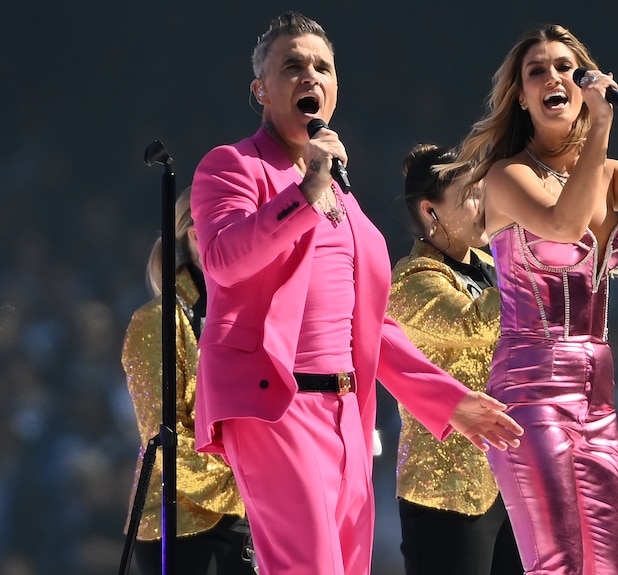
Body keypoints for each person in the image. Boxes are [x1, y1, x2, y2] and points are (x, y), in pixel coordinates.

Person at [188, 11, 523, 575]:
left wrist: (448, 401)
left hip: (348, 414)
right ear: (261, 90)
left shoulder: (347, 201)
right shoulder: (234, 167)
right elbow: (224, 259)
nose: (309, 77)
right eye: (292, 66)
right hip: (276, 405)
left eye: (322, 66)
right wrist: (308, 187)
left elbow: (371, 325)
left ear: (335, 87)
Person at [446, 24, 618, 574]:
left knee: (605, 567)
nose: (553, 78)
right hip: (530, 389)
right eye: (537, 71)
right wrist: (602, 127)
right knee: (555, 564)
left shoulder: (604, 175)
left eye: (565, 67)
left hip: (598, 396)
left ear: (584, 79)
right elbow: (564, 227)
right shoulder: (507, 175)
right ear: (521, 96)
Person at [388, 144, 522, 575]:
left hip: (509, 480)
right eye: (470, 195)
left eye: (483, 191)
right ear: (431, 211)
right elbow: (473, 323)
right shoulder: (411, 280)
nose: (483, 203)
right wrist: (545, 263)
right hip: (444, 492)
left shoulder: (490, 264)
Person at [121, 186, 256, 575]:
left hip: (247, 513)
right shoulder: (155, 322)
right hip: (176, 520)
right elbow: (163, 438)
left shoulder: (259, 313)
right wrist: (247, 482)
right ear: (198, 236)